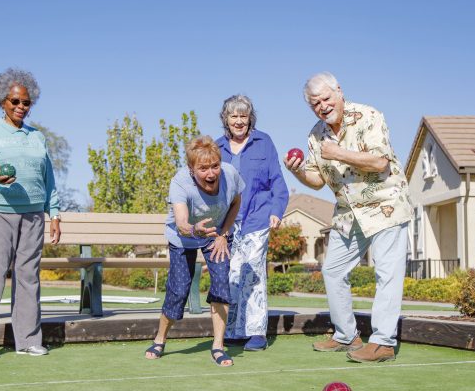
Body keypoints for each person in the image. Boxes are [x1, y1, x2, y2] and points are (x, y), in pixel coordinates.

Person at [284, 72, 413, 363]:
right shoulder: (315, 135)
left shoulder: (369, 116)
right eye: (315, 104)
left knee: (386, 274)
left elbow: (380, 161)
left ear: (339, 92)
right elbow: (317, 179)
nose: (322, 106)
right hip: (348, 213)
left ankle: (383, 342)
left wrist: (339, 152)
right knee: (332, 271)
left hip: (385, 206)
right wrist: (297, 171)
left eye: (326, 98)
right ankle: (346, 336)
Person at [0, 68, 61, 359]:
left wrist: (53, 214)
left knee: (28, 276)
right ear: (2, 102)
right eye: (14, 101)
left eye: (26, 102)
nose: (20, 107)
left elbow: (49, 180)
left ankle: (29, 340)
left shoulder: (38, 137)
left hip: (32, 214)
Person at [145, 135, 244, 366]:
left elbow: (236, 203)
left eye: (214, 166)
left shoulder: (230, 175)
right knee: (179, 290)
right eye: (203, 168)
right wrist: (194, 230)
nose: (211, 173)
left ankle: (218, 346)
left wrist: (224, 234)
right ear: (191, 169)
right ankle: (160, 339)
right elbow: (181, 223)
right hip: (184, 237)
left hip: (216, 236)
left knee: (221, 283)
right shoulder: (180, 183)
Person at [215, 94, 288, 351]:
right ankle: (234, 330)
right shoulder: (217, 148)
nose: (238, 121)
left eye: (243, 116)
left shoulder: (263, 142)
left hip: (257, 217)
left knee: (253, 273)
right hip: (227, 224)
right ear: (226, 119)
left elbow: (277, 180)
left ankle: (256, 332)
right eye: (233, 116)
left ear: (250, 118)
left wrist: (277, 210)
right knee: (232, 274)